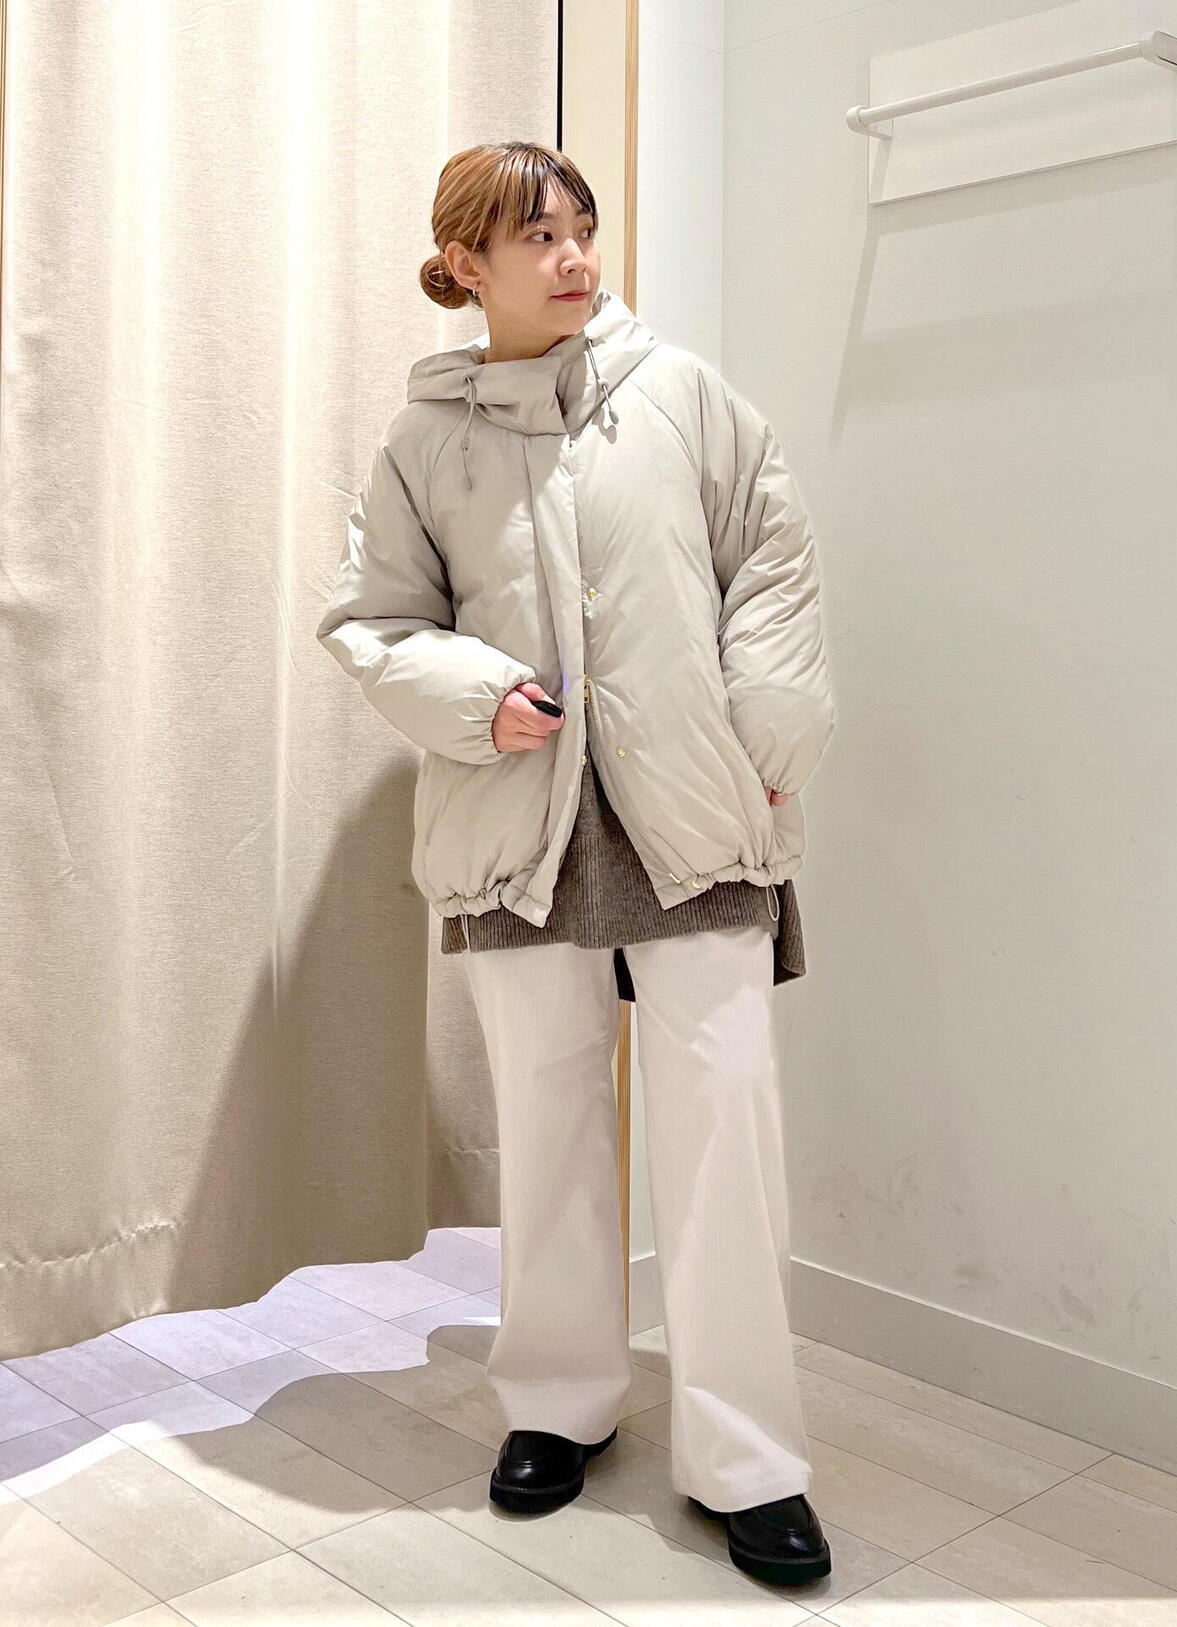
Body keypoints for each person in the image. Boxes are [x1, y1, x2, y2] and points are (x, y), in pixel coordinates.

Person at [316, 140, 836, 1588]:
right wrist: (480, 697)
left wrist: (769, 735)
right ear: (462, 264)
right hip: (519, 823)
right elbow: (372, 620)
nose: (571, 257)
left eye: (581, 229)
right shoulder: (425, 440)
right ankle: (558, 1404)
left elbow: (774, 559)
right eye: (534, 236)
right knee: (546, 1129)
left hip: (691, 817)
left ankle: (750, 1463)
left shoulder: (680, 395)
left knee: (725, 1136)